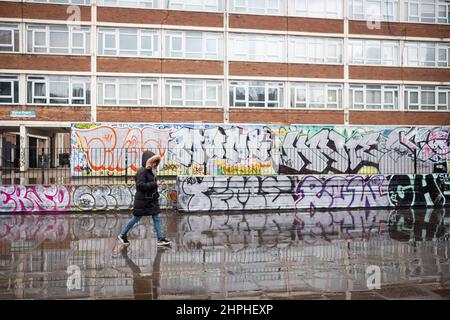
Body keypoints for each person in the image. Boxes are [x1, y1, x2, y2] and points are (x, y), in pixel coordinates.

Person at [118, 150, 171, 246]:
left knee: (157, 217)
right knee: (136, 218)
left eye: (156, 162)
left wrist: (156, 186)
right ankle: (122, 235)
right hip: (143, 201)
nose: (155, 163)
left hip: (151, 200)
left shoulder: (151, 171)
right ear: (148, 161)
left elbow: (150, 185)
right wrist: (155, 184)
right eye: (154, 161)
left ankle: (160, 239)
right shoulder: (142, 171)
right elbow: (140, 186)